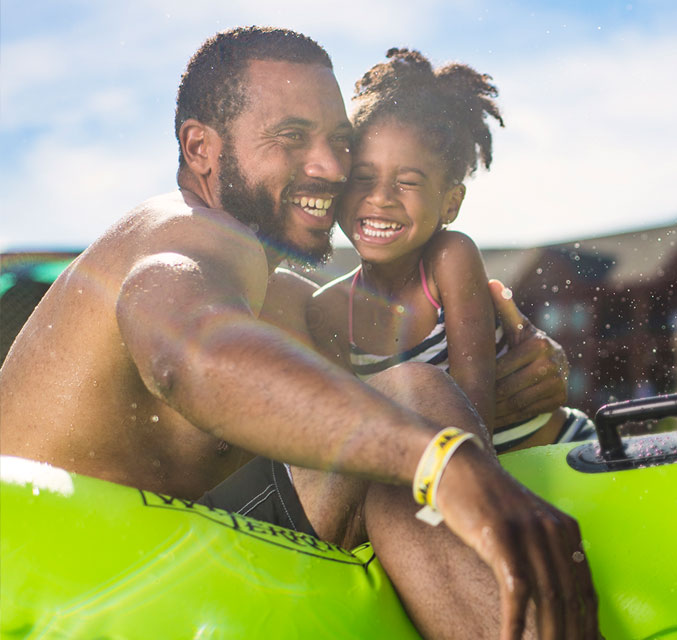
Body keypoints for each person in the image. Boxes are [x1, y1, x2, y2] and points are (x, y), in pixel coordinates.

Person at [0, 27, 596, 640]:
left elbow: (339, 415)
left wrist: (516, 381)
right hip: (66, 587)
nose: (333, 168)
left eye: (340, 142)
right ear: (200, 147)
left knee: (397, 419)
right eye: (292, 138)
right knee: (409, 407)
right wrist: (443, 460)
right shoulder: (188, 234)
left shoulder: (276, 297)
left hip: (130, 565)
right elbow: (191, 358)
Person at [307, 49, 592, 453]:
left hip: (558, 457)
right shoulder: (327, 310)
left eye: (406, 182)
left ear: (450, 204)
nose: (380, 197)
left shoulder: (450, 259)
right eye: (362, 177)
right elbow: (347, 437)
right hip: (446, 489)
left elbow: (471, 415)